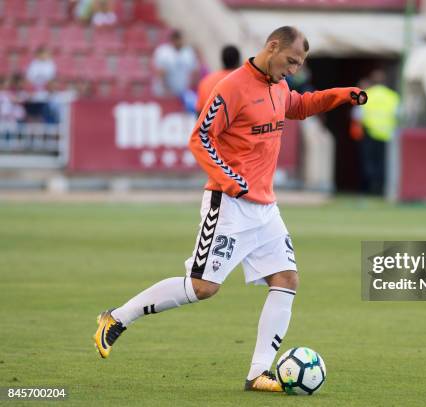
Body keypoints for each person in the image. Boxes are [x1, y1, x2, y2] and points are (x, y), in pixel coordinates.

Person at [93, 26, 367, 392]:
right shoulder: (232, 87)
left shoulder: (279, 86)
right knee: (203, 287)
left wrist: (341, 95)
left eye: (299, 64)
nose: (293, 69)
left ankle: (258, 373)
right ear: (272, 47)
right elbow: (199, 137)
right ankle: (117, 317)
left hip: (265, 207)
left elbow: (299, 106)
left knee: (286, 280)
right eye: (291, 61)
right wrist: (228, 179)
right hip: (230, 205)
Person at [355, 69, 399, 195]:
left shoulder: (366, 94)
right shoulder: (393, 96)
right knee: (383, 164)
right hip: (387, 135)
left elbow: (358, 116)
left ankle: (368, 189)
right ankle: (380, 189)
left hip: (369, 133)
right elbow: (399, 116)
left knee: (368, 162)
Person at [152, 30, 199, 99]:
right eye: (178, 39)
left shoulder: (188, 52)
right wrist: (166, 89)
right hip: (165, 93)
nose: (180, 41)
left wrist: (192, 88)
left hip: (182, 93)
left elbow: (194, 72)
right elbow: (160, 72)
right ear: (173, 39)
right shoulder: (163, 52)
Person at [196, 45, 241, 114]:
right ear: (238, 61)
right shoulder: (244, 82)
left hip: (211, 123)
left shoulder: (206, 81)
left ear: (222, 59)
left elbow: (199, 112)